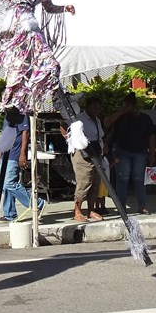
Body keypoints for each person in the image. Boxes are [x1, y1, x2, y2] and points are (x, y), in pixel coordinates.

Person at [0, 0, 76, 114]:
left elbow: (48, 7)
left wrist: (65, 8)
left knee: (23, 62)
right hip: (21, 14)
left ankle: (13, 101)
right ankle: (56, 94)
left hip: (23, 16)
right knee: (47, 58)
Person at [104, 93, 156, 215]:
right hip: (122, 151)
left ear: (134, 106)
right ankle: (121, 206)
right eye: (125, 105)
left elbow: (151, 136)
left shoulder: (145, 119)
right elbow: (107, 123)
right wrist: (121, 112)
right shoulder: (120, 117)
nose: (126, 108)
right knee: (123, 179)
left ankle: (142, 206)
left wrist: (152, 153)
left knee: (139, 179)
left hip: (140, 151)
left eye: (128, 106)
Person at [62, 95, 104, 223]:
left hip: (96, 151)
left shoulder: (96, 120)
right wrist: (71, 141)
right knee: (84, 181)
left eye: (99, 107)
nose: (97, 109)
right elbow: (63, 126)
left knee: (95, 181)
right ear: (89, 107)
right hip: (82, 153)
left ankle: (91, 210)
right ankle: (77, 211)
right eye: (95, 107)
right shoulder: (79, 118)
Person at [0, 109, 45, 222]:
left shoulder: (21, 112)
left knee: (9, 183)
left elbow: (25, 133)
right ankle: (10, 214)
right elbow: (5, 133)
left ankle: (37, 203)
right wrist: (1, 149)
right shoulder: (8, 113)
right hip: (6, 152)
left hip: (14, 153)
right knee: (4, 185)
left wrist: (22, 154)